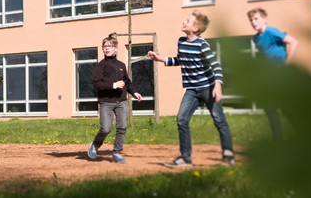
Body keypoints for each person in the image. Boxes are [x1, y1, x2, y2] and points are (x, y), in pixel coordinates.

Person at [147, 10, 234, 167]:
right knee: (181, 119)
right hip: (192, 91)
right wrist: (159, 58)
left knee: (219, 120)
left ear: (195, 28)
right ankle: (185, 158)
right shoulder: (181, 41)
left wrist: (218, 86)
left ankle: (228, 156)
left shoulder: (202, 45)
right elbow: (180, 60)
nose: (184, 22)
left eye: (188, 21)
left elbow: (217, 67)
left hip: (208, 88)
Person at [87, 35, 142, 163]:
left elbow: (127, 82)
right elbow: (97, 84)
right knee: (106, 128)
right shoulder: (100, 66)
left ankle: (117, 152)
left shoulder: (121, 65)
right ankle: (95, 144)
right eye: (105, 46)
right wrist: (113, 85)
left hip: (122, 102)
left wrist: (134, 92)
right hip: (106, 102)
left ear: (116, 48)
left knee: (122, 128)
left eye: (110, 46)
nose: (107, 49)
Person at [248, 8, 298, 139]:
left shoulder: (271, 31)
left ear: (264, 19)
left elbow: (294, 42)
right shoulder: (256, 38)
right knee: (270, 108)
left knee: (286, 108)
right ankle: (277, 140)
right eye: (251, 20)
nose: (253, 22)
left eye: (256, 19)